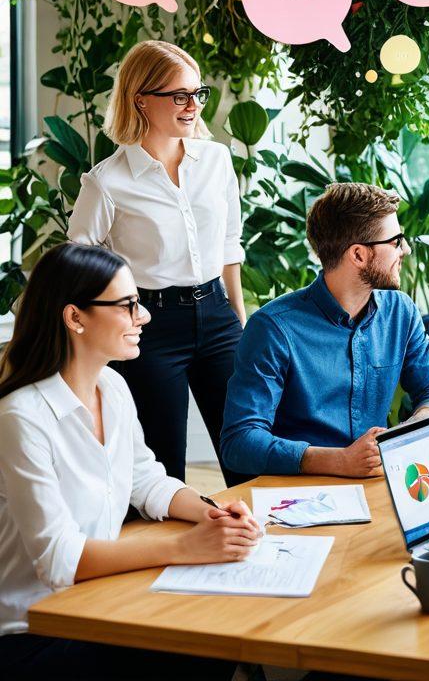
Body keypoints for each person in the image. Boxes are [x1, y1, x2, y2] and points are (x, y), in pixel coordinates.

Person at [0, 243, 259, 681]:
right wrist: (185, 548)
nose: (145, 316)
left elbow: (145, 478)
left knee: (219, 626)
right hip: (32, 630)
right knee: (197, 646)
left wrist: (212, 512)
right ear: (75, 317)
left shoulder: (113, 387)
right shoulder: (20, 417)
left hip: (97, 602)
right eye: (128, 305)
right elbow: (58, 559)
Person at [68, 39, 246, 486]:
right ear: (140, 100)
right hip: (150, 328)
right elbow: (77, 265)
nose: (192, 106)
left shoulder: (217, 161)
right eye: (178, 96)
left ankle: (263, 548)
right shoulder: (107, 182)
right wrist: (118, 316)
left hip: (218, 318)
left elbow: (229, 246)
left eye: (196, 94)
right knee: (165, 465)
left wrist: (238, 320)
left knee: (246, 448)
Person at [220, 182, 429, 478]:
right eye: (395, 241)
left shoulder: (400, 311)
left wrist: (404, 435)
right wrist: (339, 461)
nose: (405, 249)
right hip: (301, 494)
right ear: (358, 255)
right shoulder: (273, 328)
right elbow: (239, 443)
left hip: (379, 481)